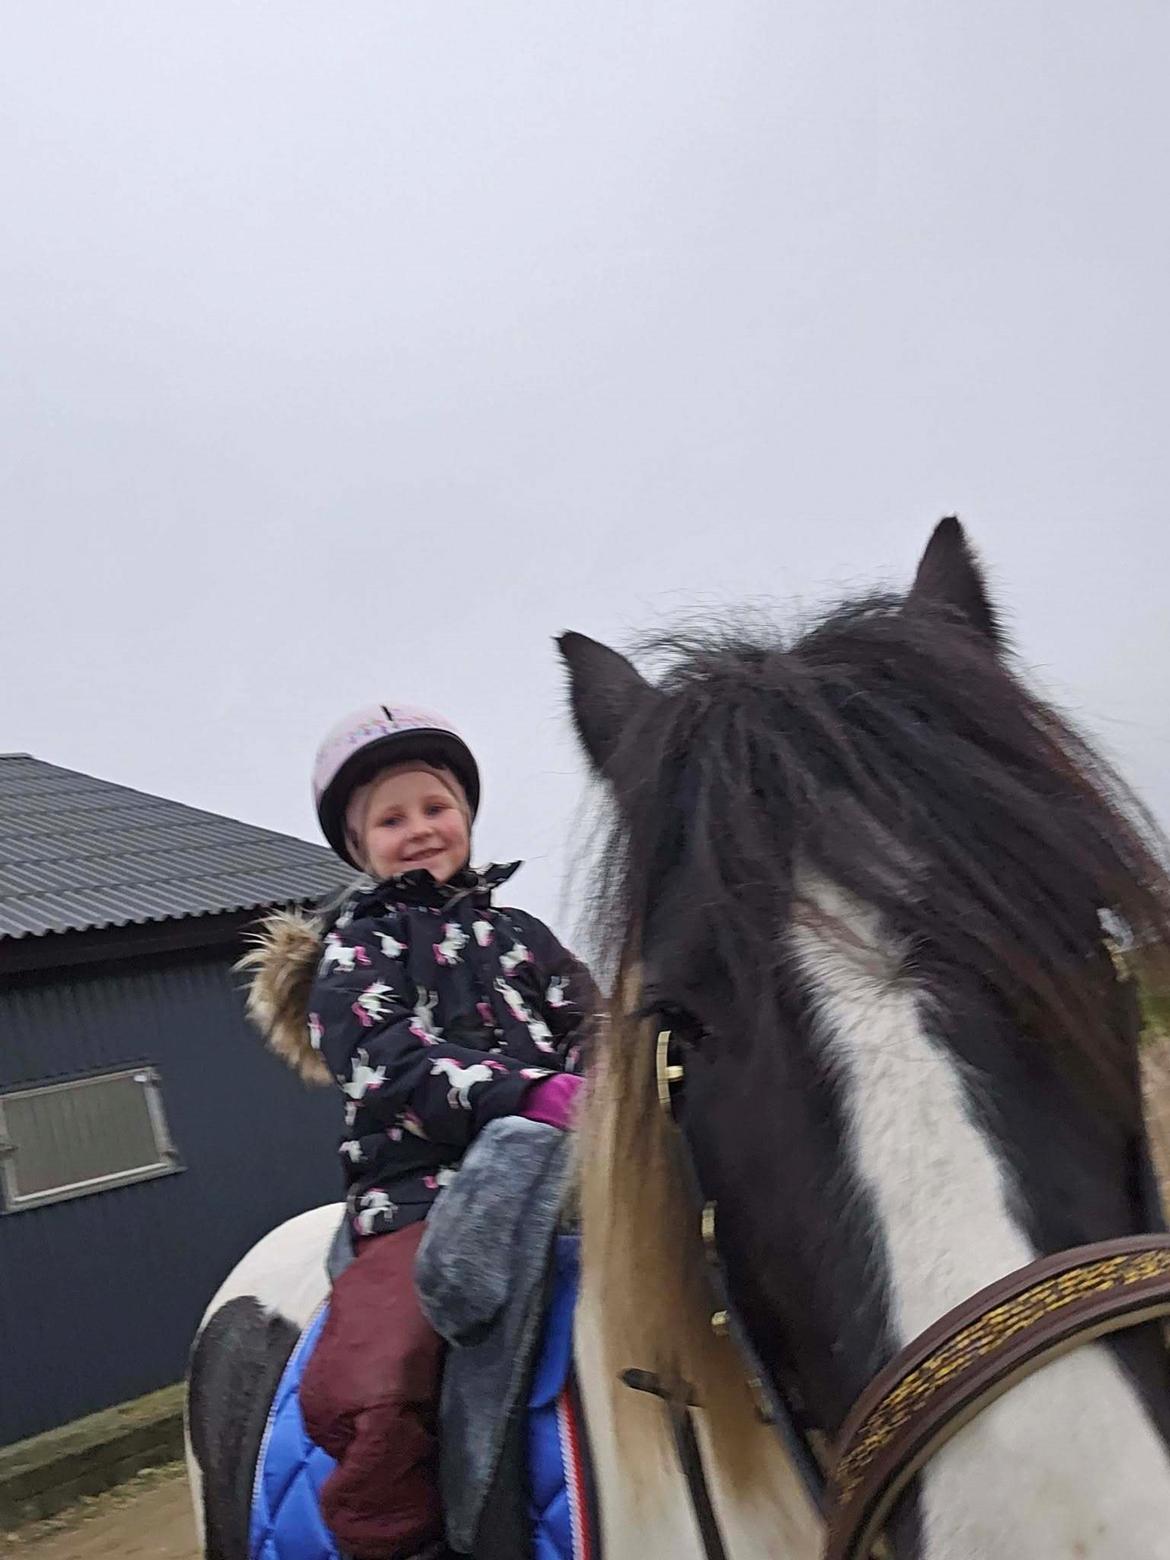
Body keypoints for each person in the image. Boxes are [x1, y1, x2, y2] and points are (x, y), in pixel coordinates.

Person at [242, 705, 597, 1560]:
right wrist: (533, 1094)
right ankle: (392, 1534)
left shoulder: (526, 936)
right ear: (359, 847)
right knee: (377, 1378)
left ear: (466, 817)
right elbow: (390, 1065)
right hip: (424, 1196)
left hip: (569, 1167)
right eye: (390, 819)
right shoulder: (356, 951)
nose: (418, 830)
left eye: (433, 808)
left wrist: (605, 1076)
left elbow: (591, 1017)